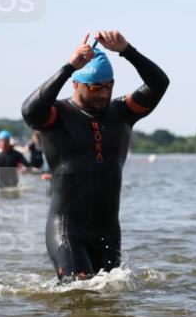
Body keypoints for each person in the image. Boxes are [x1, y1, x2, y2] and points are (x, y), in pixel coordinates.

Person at [21, 31, 169, 280]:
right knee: (80, 298)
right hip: (68, 233)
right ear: (76, 84)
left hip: (108, 234)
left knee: (109, 300)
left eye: (109, 86)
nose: (104, 94)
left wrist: (127, 50)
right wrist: (69, 67)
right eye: (96, 87)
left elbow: (159, 84)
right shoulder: (57, 115)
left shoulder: (122, 112)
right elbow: (29, 111)